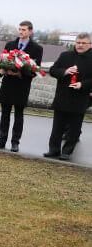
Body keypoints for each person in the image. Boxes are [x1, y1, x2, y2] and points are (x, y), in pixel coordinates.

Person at [0, 21, 43, 152]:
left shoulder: (37, 48)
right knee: (5, 114)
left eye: (24, 30)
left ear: (30, 31)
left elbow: (35, 69)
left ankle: (15, 142)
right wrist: (3, 69)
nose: (21, 32)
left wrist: (20, 72)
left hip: (22, 85)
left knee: (18, 115)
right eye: (20, 29)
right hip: (8, 84)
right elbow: (2, 61)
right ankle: (2, 140)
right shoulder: (10, 45)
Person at [43, 32, 92, 161]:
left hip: (80, 97)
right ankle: (53, 150)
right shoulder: (66, 55)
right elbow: (53, 70)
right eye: (78, 43)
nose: (80, 45)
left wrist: (82, 84)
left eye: (83, 43)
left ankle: (67, 151)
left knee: (74, 128)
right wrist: (65, 71)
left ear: (90, 44)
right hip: (62, 96)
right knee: (57, 126)